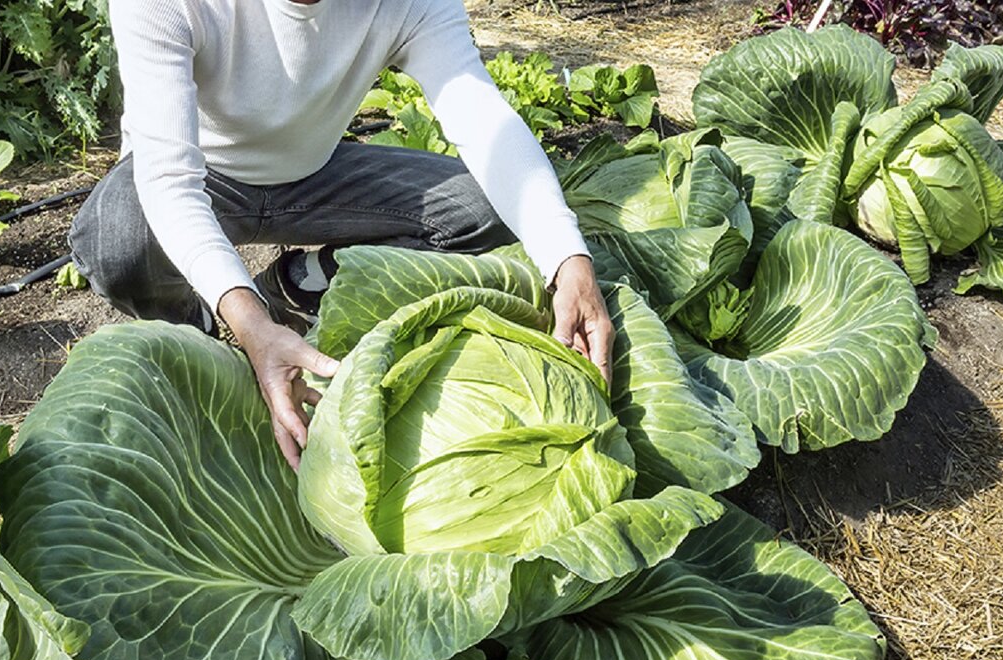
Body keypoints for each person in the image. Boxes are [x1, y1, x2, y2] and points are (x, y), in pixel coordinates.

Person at [71, 0, 615, 469]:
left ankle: (298, 284)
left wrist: (569, 259)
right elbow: (169, 182)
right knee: (116, 240)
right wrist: (247, 321)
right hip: (202, 173)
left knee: (483, 210)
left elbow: (482, 119)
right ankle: (202, 330)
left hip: (317, 174)